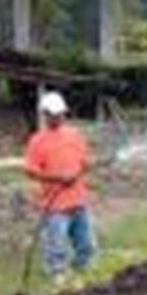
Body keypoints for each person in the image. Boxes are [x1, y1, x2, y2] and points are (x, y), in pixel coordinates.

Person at [23, 91, 96, 283]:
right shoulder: (37, 141)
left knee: (86, 244)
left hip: (79, 200)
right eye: (53, 114)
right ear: (44, 114)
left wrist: (84, 168)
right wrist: (58, 178)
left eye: (60, 114)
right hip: (55, 204)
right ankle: (57, 273)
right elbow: (30, 171)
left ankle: (82, 271)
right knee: (56, 245)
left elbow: (85, 161)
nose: (58, 117)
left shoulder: (75, 135)